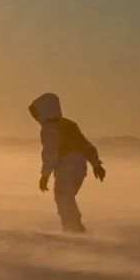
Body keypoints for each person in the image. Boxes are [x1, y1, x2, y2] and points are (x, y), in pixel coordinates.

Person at [28, 93, 106, 233]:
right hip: (80, 167)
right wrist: (96, 164)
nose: (35, 118)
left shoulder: (49, 129)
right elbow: (86, 145)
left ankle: (73, 228)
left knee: (63, 197)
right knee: (67, 197)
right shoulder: (69, 124)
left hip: (66, 166)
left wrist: (45, 175)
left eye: (36, 114)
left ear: (44, 110)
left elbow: (50, 153)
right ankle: (73, 226)